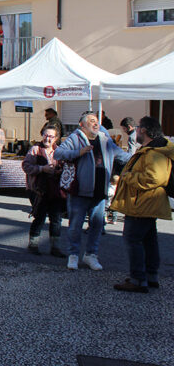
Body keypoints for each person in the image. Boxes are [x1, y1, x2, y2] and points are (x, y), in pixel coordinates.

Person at [54, 112, 131, 271]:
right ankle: (73, 255)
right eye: (91, 121)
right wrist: (78, 152)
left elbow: (122, 156)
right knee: (75, 226)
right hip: (80, 192)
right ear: (82, 125)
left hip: (100, 192)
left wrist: (140, 157)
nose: (95, 124)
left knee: (97, 225)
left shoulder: (105, 139)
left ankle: (91, 255)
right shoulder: (75, 138)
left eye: (96, 121)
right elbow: (58, 153)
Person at [111, 116, 173, 292]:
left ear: (144, 130)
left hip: (142, 204)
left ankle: (138, 279)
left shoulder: (154, 153)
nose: (136, 131)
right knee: (148, 240)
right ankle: (150, 276)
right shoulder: (153, 150)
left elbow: (154, 178)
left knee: (133, 240)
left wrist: (127, 176)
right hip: (145, 203)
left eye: (138, 128)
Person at [22, 124, 66, 257]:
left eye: (51, 136)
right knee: (39, 217)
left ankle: (55, 247)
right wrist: (42, 169)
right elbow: (26, 166)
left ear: (56, 138)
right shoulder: (35, 149)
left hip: (55, 190)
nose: (48, 139)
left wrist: (59, 171)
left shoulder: (59, 151)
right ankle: (33, 244)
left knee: (56, 218)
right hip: (38, 190)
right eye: (46, 135)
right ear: (42, 135)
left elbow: (64, 168)